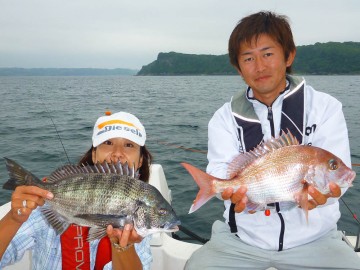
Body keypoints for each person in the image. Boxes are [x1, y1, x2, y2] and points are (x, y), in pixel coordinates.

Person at [185, 11, 360, 270]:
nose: (260, 66)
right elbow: (220, 171)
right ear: (238, 67)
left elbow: (337, 176)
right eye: (248, 58)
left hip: (316, 240)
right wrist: (231, 193)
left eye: (268, 54)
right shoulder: (224, 118)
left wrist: (329, 195)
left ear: (288, 56)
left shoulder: (324, 108)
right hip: (241, 240)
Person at [0, 111, 154, 269]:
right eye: (108, 143)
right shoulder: (44, 210)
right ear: (94, 154)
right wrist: (13, 219)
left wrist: (124, 246)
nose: (117, 154)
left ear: (141, 160)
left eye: (129, 145)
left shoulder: (139, 214)